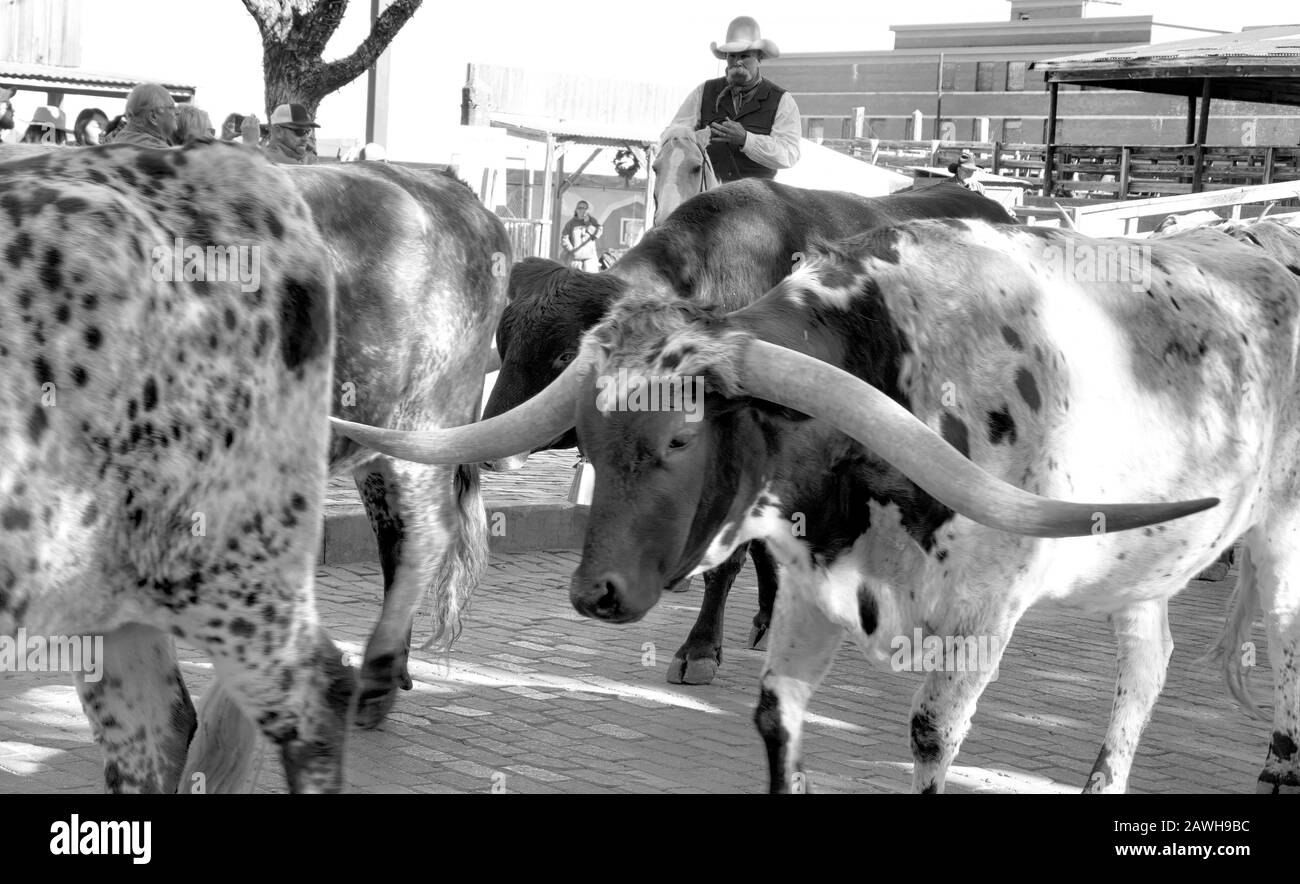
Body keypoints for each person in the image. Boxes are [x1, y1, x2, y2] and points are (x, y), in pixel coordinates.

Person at [661, 16, 800, 183]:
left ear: (759, 58)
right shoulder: (704, 91)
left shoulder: (782, 100)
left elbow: (789, 154)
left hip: (757, 200)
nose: (737, 62)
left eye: (744, 55)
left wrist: (746, 139)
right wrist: (692, 138)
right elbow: (673, 135)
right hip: (708, 197)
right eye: (732, 56)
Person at [113, 83, 177, 147]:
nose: (177, 112)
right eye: (171, 108)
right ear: (153, 117)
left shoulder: (120, 140)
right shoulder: (157, 151)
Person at [561, 201, 603, 272]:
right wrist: (572, 250)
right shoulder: (570, 223)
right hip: (575, 260)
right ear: (576, 210)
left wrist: (588, 223)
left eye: (585, 208)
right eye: (580, 208)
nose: (582, 210)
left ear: (588, 210)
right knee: (575, 280)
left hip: (590, 259)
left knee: (589, 280)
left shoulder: (593, 221)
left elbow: (597, 234)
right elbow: (564, 239)